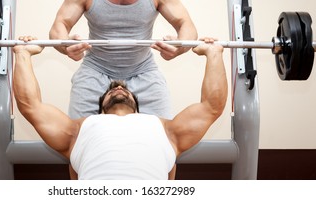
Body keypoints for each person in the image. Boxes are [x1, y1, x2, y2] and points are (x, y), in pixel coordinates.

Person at [13, 36, 227, 180]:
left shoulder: (166, 130)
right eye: (111, 90)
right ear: (100, 108)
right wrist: (22, 54)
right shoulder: (79, 130)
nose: (118, 86)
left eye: (124, 89)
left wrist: (214, 53)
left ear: (138, 105)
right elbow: (30, 106)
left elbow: (211, 107)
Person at [49, 0, 197, 119]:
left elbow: (187, 26)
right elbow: (59, 25)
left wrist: (179, 48)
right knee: (78, 135)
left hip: (143, 70)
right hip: (95, 69)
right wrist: (65, 46)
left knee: (162, 135)